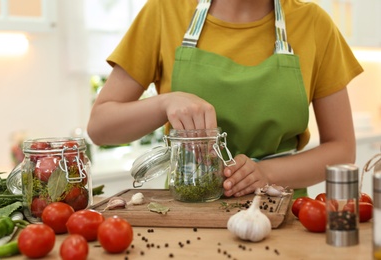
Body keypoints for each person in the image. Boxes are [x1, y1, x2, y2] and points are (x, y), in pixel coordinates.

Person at [87, 0, 363, 199]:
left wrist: (264, 172)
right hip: (189, 206)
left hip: (281, 211)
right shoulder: (162, 11)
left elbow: (341, 149)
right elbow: (101, 127)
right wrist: (164, 103)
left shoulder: (314, 23)